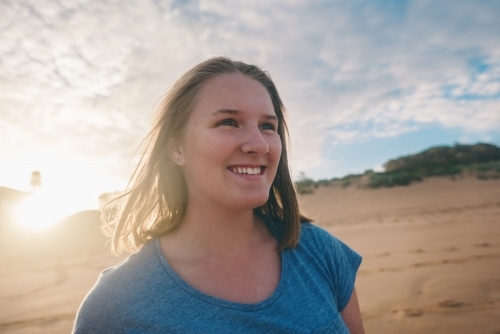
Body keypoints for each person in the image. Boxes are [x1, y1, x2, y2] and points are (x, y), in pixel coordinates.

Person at [73, 57, 364, 333]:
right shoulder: (115, 307)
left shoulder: (319, 250)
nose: (258, 144)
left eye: (267, 126)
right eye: (228, 122)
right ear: (176, 148)